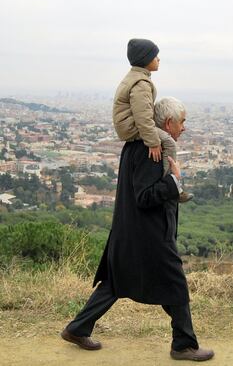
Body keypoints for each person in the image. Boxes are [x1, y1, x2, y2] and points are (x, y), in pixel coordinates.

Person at [61, 96, 214, 362]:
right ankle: (183, 345)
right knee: (175, 284)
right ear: (168, 123)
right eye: (182, 122)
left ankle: (77, 328)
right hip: (150, 235)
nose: (184, 128)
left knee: (115, 283)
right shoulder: (150, 150)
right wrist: (174, 182)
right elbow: (144, 196)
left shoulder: (139, 144)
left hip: (131, 232)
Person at [112, 38, 192, 202]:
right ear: (146, 58)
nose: (159, 59)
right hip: (134, 127)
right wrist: (153, 142)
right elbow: (143, 116)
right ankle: (173, 183)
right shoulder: (141, 83)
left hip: (130, 126)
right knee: (169, 143)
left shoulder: (135, 78)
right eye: (156, 56)